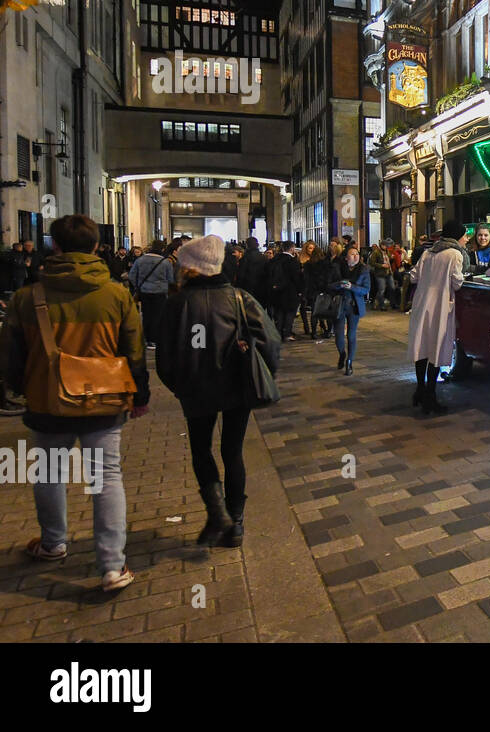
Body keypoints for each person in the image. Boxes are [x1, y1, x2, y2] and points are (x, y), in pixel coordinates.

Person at [0, 214, 149, 592]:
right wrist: (139, 394)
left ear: (55, 246)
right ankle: (112, 566)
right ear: (96, 247)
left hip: (47, 401)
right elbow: (133, 352)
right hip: (103, 400)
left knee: (49, 473)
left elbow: (10, 355)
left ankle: (53, 543)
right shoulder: (116, 294)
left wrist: (23, 386)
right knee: (106, 478)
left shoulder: (26, 297)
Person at [156, 235, 280, 549]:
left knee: (201, 450)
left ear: (190, 268)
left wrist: (179, 386)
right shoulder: (240, 298)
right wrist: (261, 372)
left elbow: (165, 357)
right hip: (237, 384)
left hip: (196, 388)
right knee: (233, 450)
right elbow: (270, 342)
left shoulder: (177, 303)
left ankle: (216, 511)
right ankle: (235, 522)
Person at [408, 221, 467, 414]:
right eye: (465, 235)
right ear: (457, 235)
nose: (466, 239)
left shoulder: (428, 252)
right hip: (440, 305)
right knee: (435, 347)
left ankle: (420, 389)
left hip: (422, 303)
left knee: (422, 346)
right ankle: (430, 396)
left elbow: (413, 276)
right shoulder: (455, 254)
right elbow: (457, 283)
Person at [329, 245, 370, 375]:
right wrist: (339, 285)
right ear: (346, 258)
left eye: (357, 254)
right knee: (339, 336)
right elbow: (328, 285)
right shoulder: (337, 268)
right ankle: (342, 354)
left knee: (351, 335)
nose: (356, 256)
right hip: (340, 305)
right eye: (352, 254)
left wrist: (352, 287)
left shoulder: (363, 270)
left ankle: (349, 362)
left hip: (354, 306)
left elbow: (366, 289)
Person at [127, 239, 174, 348]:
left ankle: (146, 339)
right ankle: (154, 339)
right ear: (163, 249)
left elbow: (131, 276)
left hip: (144, 291)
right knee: (158, 316)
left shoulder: (140, 260)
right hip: (160, 293)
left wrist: (139, 286)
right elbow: (171, 279)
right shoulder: (165, 262)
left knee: (146, 315)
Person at [266, 240, 304, 341]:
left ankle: (278, 332)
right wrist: (300, 290)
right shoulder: (292, 261)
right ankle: (287, 333)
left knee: (279, 313)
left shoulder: (275, 259)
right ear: (292, 248)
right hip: (290, 291)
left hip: (276, 291)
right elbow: (296, 278)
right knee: (289, 313)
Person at [303, 246, 333, 339]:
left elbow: (306, 279)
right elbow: (328, 277)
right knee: (327, 312)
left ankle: (314, 332)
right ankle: (328, 331)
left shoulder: (308, 264)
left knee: (314, 312)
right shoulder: (326, 264)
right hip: (325, 290)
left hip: (313, 291)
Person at [235, 237, 270, 308]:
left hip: (248, 289)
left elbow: (241, 275)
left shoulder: (245, 258)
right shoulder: (264, 258)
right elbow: (268, 274)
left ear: (247, 245)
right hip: (261, 289)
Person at [367, 240, 393, 310]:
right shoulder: (376, 252)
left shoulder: (387, 252)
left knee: (392, 287)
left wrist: (391, 258)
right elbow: (372, 263)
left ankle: (378, 301)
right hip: (380, 273)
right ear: (381, 245)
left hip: (388, 272)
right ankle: (382, 304)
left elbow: (389, 259)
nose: (385, 246)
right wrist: (382, 265)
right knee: (382, 289)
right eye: (384, 245)